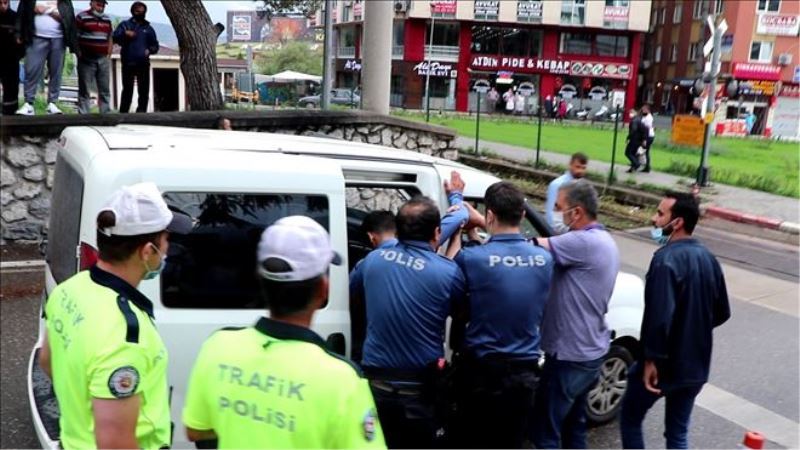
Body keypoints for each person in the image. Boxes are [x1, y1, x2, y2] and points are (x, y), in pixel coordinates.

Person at [182, 216, 386, 448]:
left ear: (260, 281)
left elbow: (196, 430)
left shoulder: (219, 346)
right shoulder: (343, 380)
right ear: (323, 289)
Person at [39, 182, 191, 449]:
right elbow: (114, 443)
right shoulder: (125, 337)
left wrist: (81, 410)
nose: (168, 249)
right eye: (166, 240)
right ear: (147, 251)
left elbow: (47, 360)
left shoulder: (69, 290)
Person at [353, 195, 467, 448]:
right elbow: (462, 316)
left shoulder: (371, 261)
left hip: (375, 387)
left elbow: (354, 301)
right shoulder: (448, 272)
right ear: (436, 233)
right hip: (420, 392)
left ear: (398, 230)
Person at [620, 192, 730, 449]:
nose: (654, 219)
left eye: (660, 214)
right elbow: (722, 312)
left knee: (631, 419)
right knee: (677, 433)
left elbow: (659, 317)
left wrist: (651, 359)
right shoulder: (709, 259)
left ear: (677, 222)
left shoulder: (665, 260)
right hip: (695, 366)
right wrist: (693, 328)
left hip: (662, 366)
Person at [448, 181, 554, 449]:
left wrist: (460, 230)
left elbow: (452, 287)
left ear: (490, 216)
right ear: (523, 215)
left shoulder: (471, 259)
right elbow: (504, 265)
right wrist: (477, 234)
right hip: (524, 375)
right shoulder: (544, 259)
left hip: (481, 373)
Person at [531, 180, 620, 449]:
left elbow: (528, 246)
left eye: (559, 207)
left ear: (577, 212)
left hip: (570, 355)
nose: (555, 213)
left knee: (546, 432)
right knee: (574, 427)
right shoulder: (604, 240)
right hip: (590, 351)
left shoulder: (582, 242)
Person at [16, 0, 78, 115]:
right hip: (35, 37)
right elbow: (21, 13)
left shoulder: (65, 1)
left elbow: (68, 17)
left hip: (58, 38)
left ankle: (52, 103)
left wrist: (46, 10)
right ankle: (29, 103)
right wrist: (18, 34)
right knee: (31, 69)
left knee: (56, 71)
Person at [113, 1, 158, 113]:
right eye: (138, 11)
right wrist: (125, 33)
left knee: (143, 90)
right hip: (128, 62)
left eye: (143, 12)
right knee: (127, 90)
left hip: (143, 63)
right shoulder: (125, 25)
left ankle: (141, 114)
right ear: (133, 12)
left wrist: (150, 50)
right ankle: (123, 113)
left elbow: (155, 45)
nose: (140, 14)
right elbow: (114, 37)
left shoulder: (148, 28)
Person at [75, 0, 112, 114]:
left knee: (104, 89)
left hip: (103, 59)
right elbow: (75, 36)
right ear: (91, 3)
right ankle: (84, 115)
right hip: (86, 59)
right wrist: (78, 52)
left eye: (102, 5)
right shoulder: (81, 17)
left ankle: (105, 114)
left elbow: (110, 36)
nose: (100, 7)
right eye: (98, 4)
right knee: (85, 89)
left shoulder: (107, 19)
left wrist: (109, 52)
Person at [545, 152, 588, 234]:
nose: (580, 171)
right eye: (577, 167)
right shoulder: (557, 185)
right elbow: (551, 214)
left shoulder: (582, 186)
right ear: (570, 165)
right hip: (558, 233)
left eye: (583, 168)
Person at [0, 0, 24, 115]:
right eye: (0, 3)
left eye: (5, 3)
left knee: (11, 89)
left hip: (11, 59)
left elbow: (22, 39)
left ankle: (10, 113)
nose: (3, 6)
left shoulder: (15, 18)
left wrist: (19, 55)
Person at [625, 108, 645, 173]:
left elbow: (633, 130)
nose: (630, 115)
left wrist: (628, 137)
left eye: (631, 113)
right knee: (633, 153)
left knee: (628, 153)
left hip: (634, 139)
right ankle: (633, 168)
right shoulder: (639, 120)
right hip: (639, 140)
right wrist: (643, 139)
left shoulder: (634, 121)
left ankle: (636, 164)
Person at [640, 105, 655, 172]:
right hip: (648, 136)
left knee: (644, 151)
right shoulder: (646, 116)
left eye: (644, 110)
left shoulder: (648, 118)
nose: (643, 111)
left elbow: (647, 129)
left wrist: (644, 139)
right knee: (644, 151)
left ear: (648, 110)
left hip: (648, 136)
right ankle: (646, 166)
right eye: (642, 109)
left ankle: (641, 165)